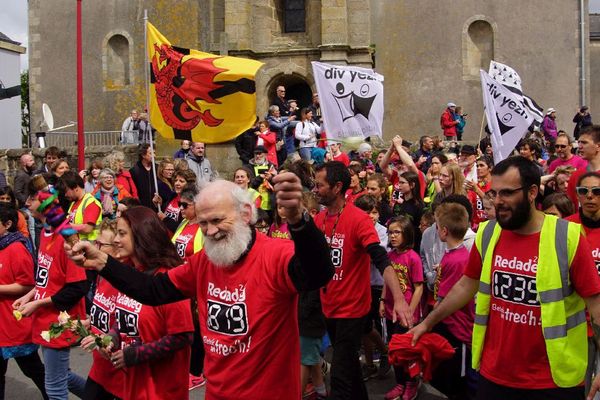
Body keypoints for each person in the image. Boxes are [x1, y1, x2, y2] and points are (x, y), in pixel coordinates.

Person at [65, 174, 335, 399]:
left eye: (218, 220)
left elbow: (318, 273)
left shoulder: (276, 255)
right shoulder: (204, 261)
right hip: (217, 393)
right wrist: (102, 260)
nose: (211, 231)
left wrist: (299, 221)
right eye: (203, 223)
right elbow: (153, 290)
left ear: (246, 213)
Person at [411, 156, 600, 400]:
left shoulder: (567, 237)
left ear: (532, 192)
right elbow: (466, 285)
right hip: (494, 376)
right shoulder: (489, 233)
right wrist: (427, 323)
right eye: (494, 193)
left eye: (507, 193)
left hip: (553, 381)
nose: (498, 202)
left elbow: (596, 306)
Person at [312, 161, 413, 399]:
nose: (315, 189)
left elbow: (381, 260)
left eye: (320, 185)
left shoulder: (358, 219)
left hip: (352, 310)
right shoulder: (319, 219)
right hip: (329, 308)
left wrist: (398, 299)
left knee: (339, 375)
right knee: (350, 370)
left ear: (337, 187)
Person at [101, 207, 194, 400]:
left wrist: (137, 354)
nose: (115, 240)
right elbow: (129, 317)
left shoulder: (167, 280)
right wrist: (112, 337)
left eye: (122, 233)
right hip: (133, 385)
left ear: (141, 235)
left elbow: (182, 336)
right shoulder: (131, 274)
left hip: (161, 390)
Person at [16, 180, 88, 399]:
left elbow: (77, 287)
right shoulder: (45, 233)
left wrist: (37, 303)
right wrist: (30, 295)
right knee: (61, 377)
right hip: (45, 318)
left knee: (54, 387)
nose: (27, 202)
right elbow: (46, 277)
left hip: (60, 321)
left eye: (32, 198)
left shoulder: (65, 239)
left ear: (46, 204)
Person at [0, 206, 48, 400]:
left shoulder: (17, 248)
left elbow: (28, 285)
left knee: (33, 370)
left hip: (14, 323)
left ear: (8, 224)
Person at [431, 202, 476, 400]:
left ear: (444, 231)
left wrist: (427, 323)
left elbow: (445, 299)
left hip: (458, 328)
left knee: (457, 384)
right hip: (451, 325)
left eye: (437, 226)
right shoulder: (454, 256)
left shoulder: (457, 259)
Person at [80, 219, 125, 400]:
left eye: (100, 244)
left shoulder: (126, 282)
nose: (95, 247)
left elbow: (128, 324)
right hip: (99, 367)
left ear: (117, 248)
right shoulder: (103, 275)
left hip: (120, 371)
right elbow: (107, 311)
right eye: (95, 242)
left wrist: (104, 340)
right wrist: (88, 323)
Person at [380, 215, 423, 400]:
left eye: (397, 232)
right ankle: (399, 382)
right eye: (390, 233)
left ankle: (411, 383)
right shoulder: (389, 256)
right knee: (394, 350)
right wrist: (382, 300)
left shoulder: (413, 258)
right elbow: (387, 282)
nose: (392, 236)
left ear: (407, 233)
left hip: (406, 315)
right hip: (391, 312)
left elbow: (419, 287)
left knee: (407, 352)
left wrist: (411, 312)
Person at [565, 172, 600, 396]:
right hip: (580, 325)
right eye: (583, 191)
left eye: (596, 191)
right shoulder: (565, 228)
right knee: (582, 389)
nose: (590, 196)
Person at [354, 195, 390, 382]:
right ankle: (369, 364)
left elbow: (374, 253)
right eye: (366, 213)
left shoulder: (382, 232)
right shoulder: (355, 228)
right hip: (361, 284)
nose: (371, 217)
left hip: (377, 286)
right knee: (363, 327)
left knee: (373, 325)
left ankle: (385, 352)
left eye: (374, 212)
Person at [60, 171, 103, 242]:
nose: (65, 195)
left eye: (66, 191)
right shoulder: (73, 203)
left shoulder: (91, 203)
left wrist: (66, 225)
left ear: (76, 188)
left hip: (90, 248)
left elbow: (87, 228)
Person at [568, 126, 600, 208]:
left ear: (598, 146)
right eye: (579, 143)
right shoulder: (576, 176)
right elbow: (571, 207)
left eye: (584, 143)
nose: (580, 146)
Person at [171, 186, 203, 259]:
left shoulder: (205, 227)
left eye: (185, 205)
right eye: (180, 204)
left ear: (197, 205)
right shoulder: (183, 222)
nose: (181, 208)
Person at [129, 143, 159, 210]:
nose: (154, 155)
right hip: (141, 207)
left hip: (157, 206)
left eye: (154, 153)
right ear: (143, 155)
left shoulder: (158, 168)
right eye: (151, 153)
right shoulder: (134, 171)